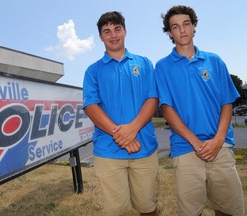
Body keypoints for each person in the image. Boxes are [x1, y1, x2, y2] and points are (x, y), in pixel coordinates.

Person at [155, 5, 244, 216]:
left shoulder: (214, 61)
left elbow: (227, 104)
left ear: (194, 26)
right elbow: (167, 109)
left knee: (229, 210)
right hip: (186, 149)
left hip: (220, 147)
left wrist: (218, 139)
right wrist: (196, 143)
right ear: (169, 33)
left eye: (186, 24)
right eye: (175, 27)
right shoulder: (162, 66)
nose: (182, 30)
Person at [83, 11, 159, 216]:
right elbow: (91, 107)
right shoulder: (93, 70)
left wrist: (132, 130)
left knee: (149, 208)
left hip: (144, 149)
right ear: (100, 37)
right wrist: (123, 137)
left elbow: (153, 99)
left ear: (125, 31)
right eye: (106, 31)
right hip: (108, 153)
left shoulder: (144, 63)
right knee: (110, 212)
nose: (113, 35)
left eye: (117, 29)